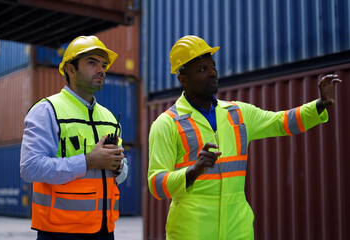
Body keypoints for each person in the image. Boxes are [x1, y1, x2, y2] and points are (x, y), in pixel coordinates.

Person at [147, 35, 342, 240]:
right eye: (202, 69)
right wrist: (193, 171)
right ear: (182, 79)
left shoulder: (238, 113)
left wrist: (319, 104)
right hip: (191, 232)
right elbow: (157, 185)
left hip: (238, 230)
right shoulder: (167, 123)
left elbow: (281, 122)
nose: (213, 73)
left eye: (213, 66)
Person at [20, 35, 128, 240]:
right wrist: (88, 161)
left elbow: (122, 174)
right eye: (92, 63)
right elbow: (30, 168)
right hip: (60, 231)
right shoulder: (47, 111)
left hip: (104, 231)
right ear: (71, 69)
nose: (101, 70)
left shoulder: (109, 117)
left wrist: (118, 167)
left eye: (103, 64)